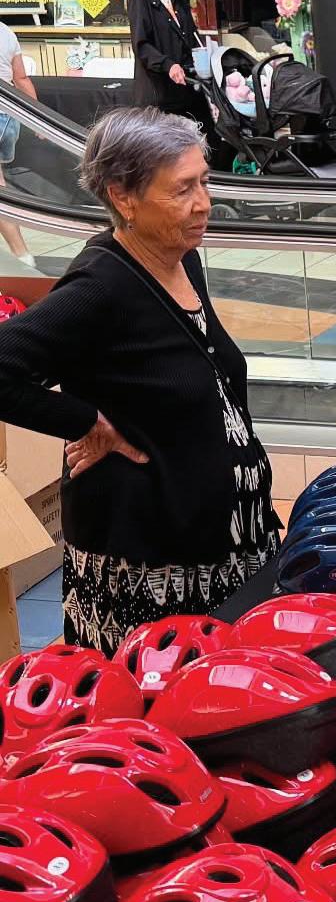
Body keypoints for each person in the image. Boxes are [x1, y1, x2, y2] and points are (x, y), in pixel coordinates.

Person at [0, 108, 279, 654]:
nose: (203, 202)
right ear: (123, 197)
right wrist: (86, 421)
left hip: (228, 550)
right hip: (150, 574)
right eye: (182, 189)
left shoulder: (180, 258)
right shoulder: (100, 287)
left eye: (204, 181)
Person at [126, 0, 211, 138]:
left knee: (208, 134)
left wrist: (203, 55)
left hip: (187, 85)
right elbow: (142, 45)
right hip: (160, 92)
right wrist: (168, 65)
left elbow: (190, 32)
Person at [0, 21, 38, 266]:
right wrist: (38, 119)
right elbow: (21, 78)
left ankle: (22, 255)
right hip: (6, 116)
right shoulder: (6, 32)